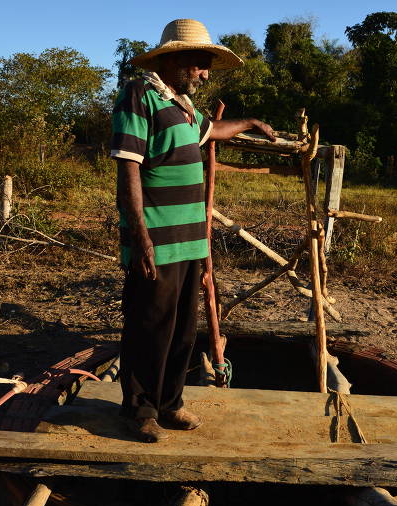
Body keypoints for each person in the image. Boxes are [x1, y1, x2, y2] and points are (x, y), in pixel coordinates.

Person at [111, 18, 275, 442]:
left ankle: (170, 404)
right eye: (200, 64)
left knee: (184, 326)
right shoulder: (139, 95)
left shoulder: (181, 103)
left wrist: (249, 122)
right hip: (157, 237)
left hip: (188, 239)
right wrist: (140, 235)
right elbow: (128, 166)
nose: (205, 74)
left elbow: (211, 131)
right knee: (151, 323)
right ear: (175, 59)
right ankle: (140, 410)